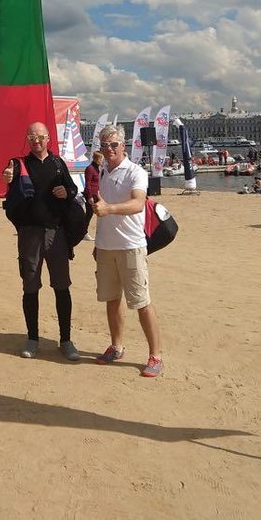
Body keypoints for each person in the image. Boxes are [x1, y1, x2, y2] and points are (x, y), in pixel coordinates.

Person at [2, 121, 80, 362]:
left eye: (41, 137)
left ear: (48, 139)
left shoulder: (58, 164)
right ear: (27, 139)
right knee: (30, 285)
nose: (37, 141)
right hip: (29, 234)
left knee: (62, 286)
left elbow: (73, 189)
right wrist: (7, 179)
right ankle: (32, 338)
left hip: (56, 234)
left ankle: (66, 340)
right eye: (32, 137)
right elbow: (10, 191)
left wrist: (67, 193)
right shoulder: (18, 164)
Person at [91, 124, 164, 378]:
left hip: (131, 246)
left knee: (142, 302)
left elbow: (137, 203)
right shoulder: (101, 172)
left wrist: (109, 209)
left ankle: (155, 355)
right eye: (105, 144)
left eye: (114, 144)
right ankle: (116, 345)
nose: (109, 149)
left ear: (123, 145)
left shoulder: (135, 172)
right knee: (112, 300)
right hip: (106, 246)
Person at [82, 151, 104, 241]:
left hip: (97, 194)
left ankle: (96, 232)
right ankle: (84, 232)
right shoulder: (90, 168)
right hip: (91, 195)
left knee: (98, 213)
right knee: (89, 214)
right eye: (101, 159)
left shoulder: (97, 168)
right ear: (97, 159)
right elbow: (88, 183)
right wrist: (90, 196)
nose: (102, 161)